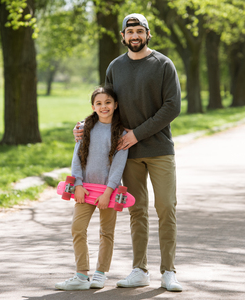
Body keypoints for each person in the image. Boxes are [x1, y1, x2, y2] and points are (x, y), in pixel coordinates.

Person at [74, 13, 182, 292]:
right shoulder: (115, 67)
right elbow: (106, 104)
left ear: (148, 34)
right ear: (122, 36)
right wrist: (84, 126)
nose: (134, 36)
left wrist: (136, 134)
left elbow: (172, 107)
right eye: (129, 31)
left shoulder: (163, 65)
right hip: (126, 153)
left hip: (158, 149)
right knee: (137, 210)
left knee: (166, 207)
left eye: (139, 31)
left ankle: (168, 271)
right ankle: (139, 269)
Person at [55, 86, 128, 291]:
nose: (103, 106)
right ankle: (81, 275)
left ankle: (100, 273)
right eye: (99, 103)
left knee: (107, 232)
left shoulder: (121, 133)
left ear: (115, 105)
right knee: (77, 228)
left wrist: (108, 192)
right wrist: (77, 184)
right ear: (93, 106)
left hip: (109, 192)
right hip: (84, 189)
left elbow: (118, 166)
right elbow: (76, 159)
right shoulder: (84, 128)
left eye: (107, 102)